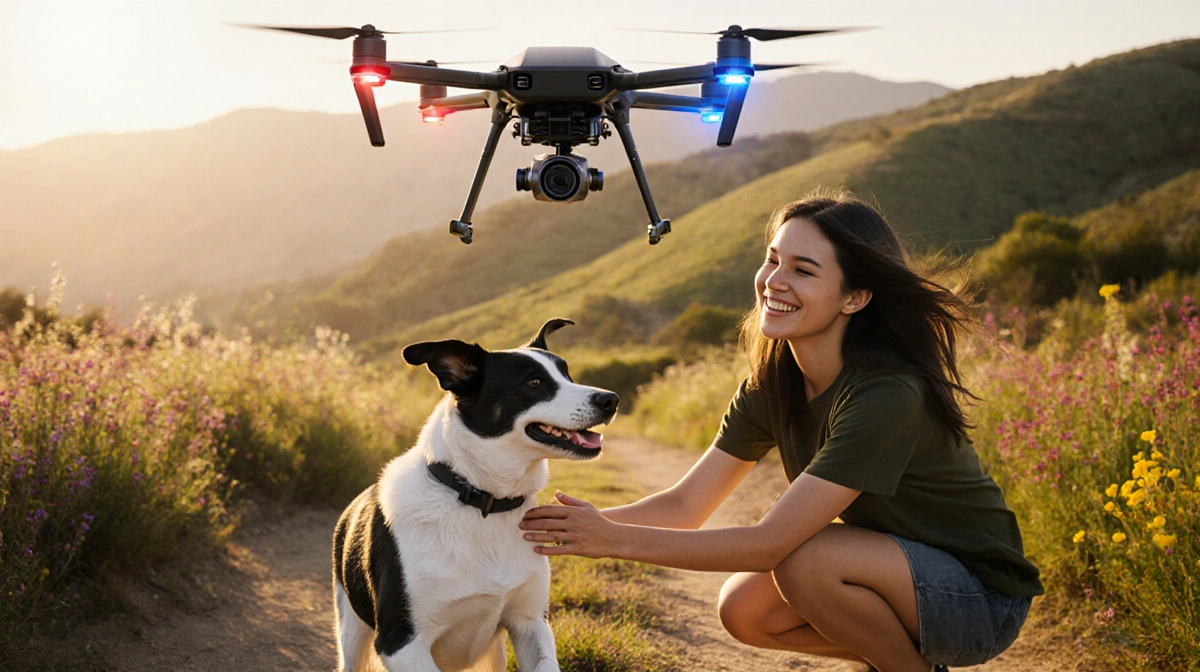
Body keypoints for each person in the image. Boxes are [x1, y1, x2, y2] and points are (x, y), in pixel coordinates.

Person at [519, 189, 1043, 672]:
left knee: (804, 561)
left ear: (854, 298)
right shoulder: (771, 385)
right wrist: (561, 530)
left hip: (980, 600)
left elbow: (769, 544)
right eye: (773, 259)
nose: (774, 281)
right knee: (745, 609)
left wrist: (614, 541)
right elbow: (685, 506)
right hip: (899, 577)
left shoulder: (886, 393)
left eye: (803, 270)